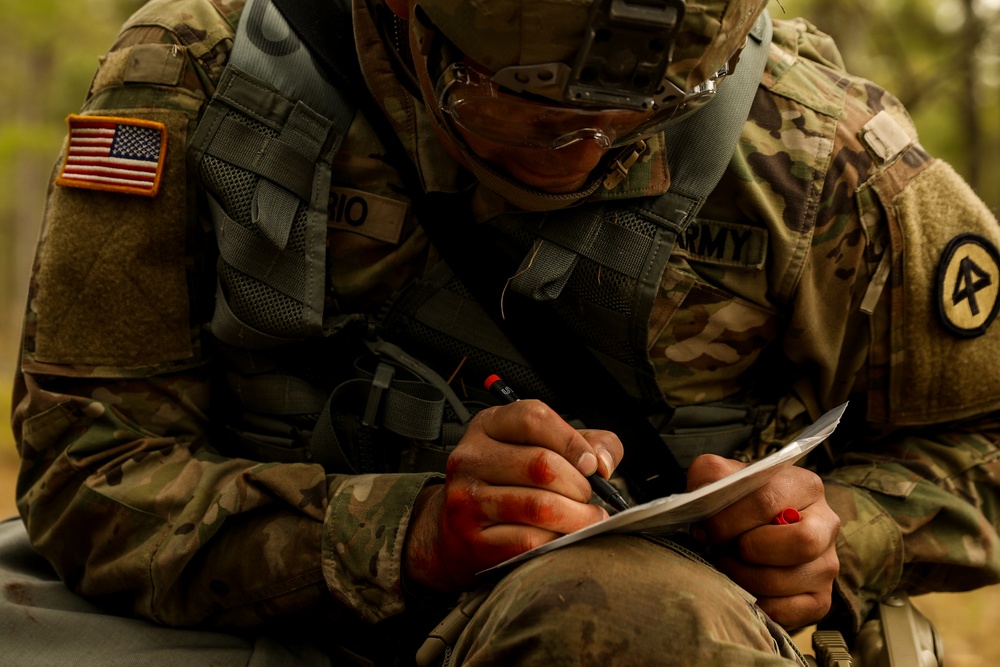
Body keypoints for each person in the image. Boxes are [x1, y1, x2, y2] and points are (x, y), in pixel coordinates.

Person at [5, 0, 1000, 664]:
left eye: (649, 117)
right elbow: (90, 466)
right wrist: (409, 535)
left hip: (664, 637)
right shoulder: (205, 79)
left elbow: (982, 441)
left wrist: (832, 532)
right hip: (254, 620)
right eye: (527, 112)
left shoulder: (813, 146)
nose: (584, 156)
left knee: (635, 620)